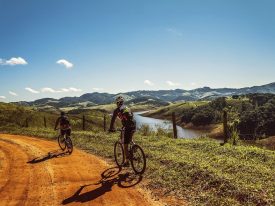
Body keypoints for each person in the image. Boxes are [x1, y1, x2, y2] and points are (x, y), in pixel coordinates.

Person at [109, 96, 136, 167]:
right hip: (133, 125)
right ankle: (134, 147)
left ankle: (127, 162)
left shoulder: (117, 110)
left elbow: (112, 120)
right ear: (123, 102)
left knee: (125, 145)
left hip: (127, 127)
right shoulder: (127, 108)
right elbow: (131, 117)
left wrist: (111, 128)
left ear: (117, 103)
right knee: (130, 139)